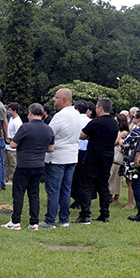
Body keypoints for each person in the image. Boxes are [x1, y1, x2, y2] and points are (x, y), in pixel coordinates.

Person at [2, 103, 54, 230]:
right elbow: (51, 149)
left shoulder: (25, 127)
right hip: (39, 165)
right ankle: (34, 223)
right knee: (34, 194)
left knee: (18, 193)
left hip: (24, 164)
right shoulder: (48, 129)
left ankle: (15, 222)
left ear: (30, 113)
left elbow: (13, 145)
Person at [74, 98, 119, 224]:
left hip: (93, 158)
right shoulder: (114, 123)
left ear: (100, 108)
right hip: (107, 158)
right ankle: (104, 214)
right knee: (103, 186)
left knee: (86, 185)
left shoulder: (96, 122)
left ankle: (85, 214)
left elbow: (82, 135)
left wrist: (90, 136)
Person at [43, 88, 79, 228]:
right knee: (65, 189)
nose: (54, 100)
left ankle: (50, 220)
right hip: (71, 156)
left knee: (53, 190)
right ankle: (64, 219)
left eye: (57, 97)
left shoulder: (60, 116)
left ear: (64, 100)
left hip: (57, 157)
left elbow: (48, 133)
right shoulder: (76, 114)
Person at [120, 111, 140, 210]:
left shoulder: (136, 130)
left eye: (134, 117)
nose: (133, 118)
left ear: (139, 119)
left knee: (130, 181)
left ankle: (130, 203)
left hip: (131, 157)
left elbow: (126, 142)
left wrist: (121, 142)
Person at [107, 114, 130, 205]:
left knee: (115, 176)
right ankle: (110, 195)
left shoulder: (123, 132)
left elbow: (115, 142)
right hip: (112, 154)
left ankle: (116, 197)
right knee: (111, 175)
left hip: (117, 155)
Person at [4, 103, 23, 188]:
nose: (8, 111)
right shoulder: (11, 119)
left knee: (12, 164)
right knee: (6, 163)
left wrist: (12, 140)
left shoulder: (18, 122)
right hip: (7, 145)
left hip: (13, 148)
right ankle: (6, 178)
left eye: (10, 110)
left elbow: (19, 135)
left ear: (15, 111)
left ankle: (11, 179)